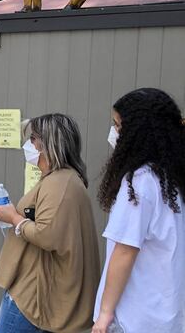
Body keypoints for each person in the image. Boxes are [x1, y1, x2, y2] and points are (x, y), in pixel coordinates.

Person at [0, 113, 101, 333]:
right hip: (34, 287)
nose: (27, 144)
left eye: (32, 138)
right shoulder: (61, 179)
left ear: (49, 144)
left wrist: (14, 218)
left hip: (32, 293)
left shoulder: (59, 183)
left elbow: (46, 235)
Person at [92, 88, 185, 333]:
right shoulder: (173, 179)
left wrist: (104, 314)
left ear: (137, 133)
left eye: (117, 125)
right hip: (168, 313)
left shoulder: (139, 183)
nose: (113, 133)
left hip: (136, 317)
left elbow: (124, 252)